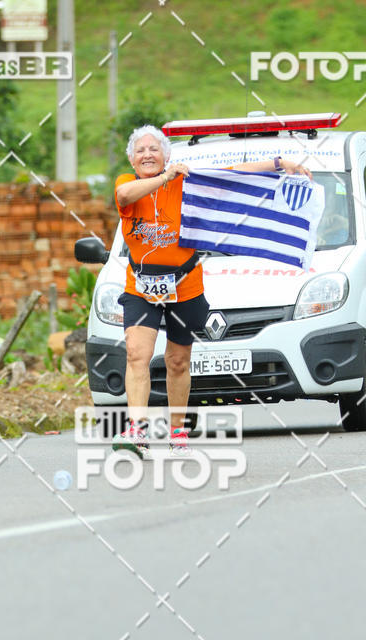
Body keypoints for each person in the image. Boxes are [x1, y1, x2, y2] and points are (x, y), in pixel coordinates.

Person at [112, 124, 312, 456]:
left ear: (167, 155)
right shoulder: (127, 184)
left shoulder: (187, 182)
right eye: (140, 150)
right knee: (137, 354)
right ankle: (137, 430)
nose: (147, 154)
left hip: (184, 284)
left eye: (154, 149)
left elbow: (232, 175)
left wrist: (279, 164)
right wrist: (164, 178)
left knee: (177, 361)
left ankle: (177, 431)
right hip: (142, 286)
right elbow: (124, 198)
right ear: (132, 159)